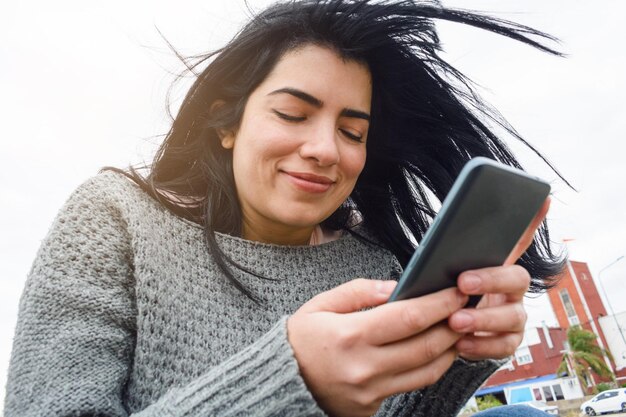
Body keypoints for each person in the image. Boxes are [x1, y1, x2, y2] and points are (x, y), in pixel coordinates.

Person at [5, 1, 566, 416]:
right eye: (293, 115)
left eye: (352, 130)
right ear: (227, 124)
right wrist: (290, 379)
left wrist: (455, 350)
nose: (326, 149)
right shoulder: (115, 217)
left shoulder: (372, 263)